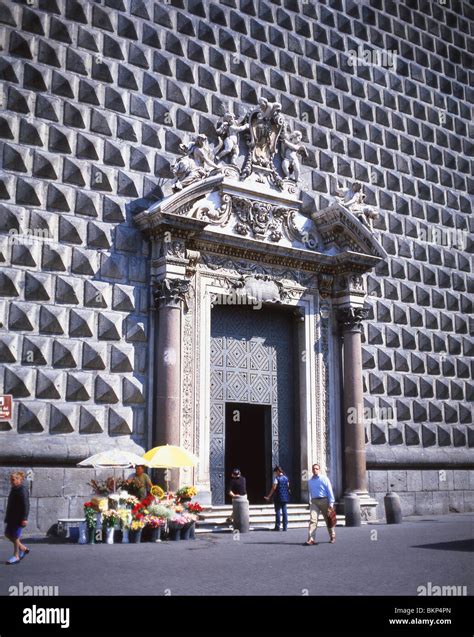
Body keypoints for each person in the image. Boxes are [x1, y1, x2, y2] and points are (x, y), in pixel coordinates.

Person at [306, 463, 336, 545]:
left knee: (328, 519)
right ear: (312, 470)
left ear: (319, 470)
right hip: (314, 501)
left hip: (324, 500)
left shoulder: (324, 479)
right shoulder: (310, 481)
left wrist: (331, 503)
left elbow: (329, 491)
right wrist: (310, 502)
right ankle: (311, 539)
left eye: (316, 468)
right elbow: (310, 492)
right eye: (314, 469)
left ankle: (332, 536)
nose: (315, 470)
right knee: (313, 520)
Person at [4, 471, 30, 565]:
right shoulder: (14, 489)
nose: (11, 481)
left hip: (18, 518)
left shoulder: (22, 490)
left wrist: (24, 518)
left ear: (19, 480)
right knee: (7, 534)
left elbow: (26, 505)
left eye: (13, 479)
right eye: (11, 480)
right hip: (11, 517)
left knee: (15, 536)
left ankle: (16, 556)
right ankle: (22, 548)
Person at [264, 466, 290, 531]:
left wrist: (269, 496)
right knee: (284, 511)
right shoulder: (286, 478)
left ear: (278, 471)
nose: (275, 474)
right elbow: (288, 486)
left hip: (278, 497)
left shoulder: (277, 478)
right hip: (285, 497)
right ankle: (285, 526)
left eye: (275, 472)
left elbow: (274, 488)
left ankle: (277, 526)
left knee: (278, 511)